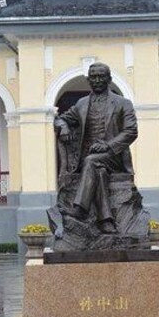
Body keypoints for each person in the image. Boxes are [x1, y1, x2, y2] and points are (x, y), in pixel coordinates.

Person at [54, 62, 137, 233]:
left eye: (101, 76)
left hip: (114, 155)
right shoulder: (81, 104)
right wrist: (63, 126)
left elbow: (131, 131)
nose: (97, 80)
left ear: (109, 79)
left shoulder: (123, 103)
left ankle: (80, 208)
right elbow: (61, 118)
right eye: (93, 77)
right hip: (89, 160)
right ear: (89, 80)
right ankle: (106, 220)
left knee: (91, 161)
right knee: (98, 170)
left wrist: (107, 145)